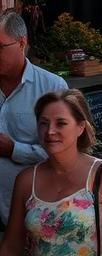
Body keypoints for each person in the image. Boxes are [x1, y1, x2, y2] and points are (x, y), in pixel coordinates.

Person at [0, 89, 102, 256]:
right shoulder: (27, 180)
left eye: (61, 123)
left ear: (80, 127)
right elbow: (11, 247)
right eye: (44, 123)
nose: (50, 131)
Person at [0, 12, 68, 227]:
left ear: (22, 43)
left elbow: (65, 153)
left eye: (0, 47)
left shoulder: (52, 88)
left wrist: (14, 149)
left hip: (33, 213)